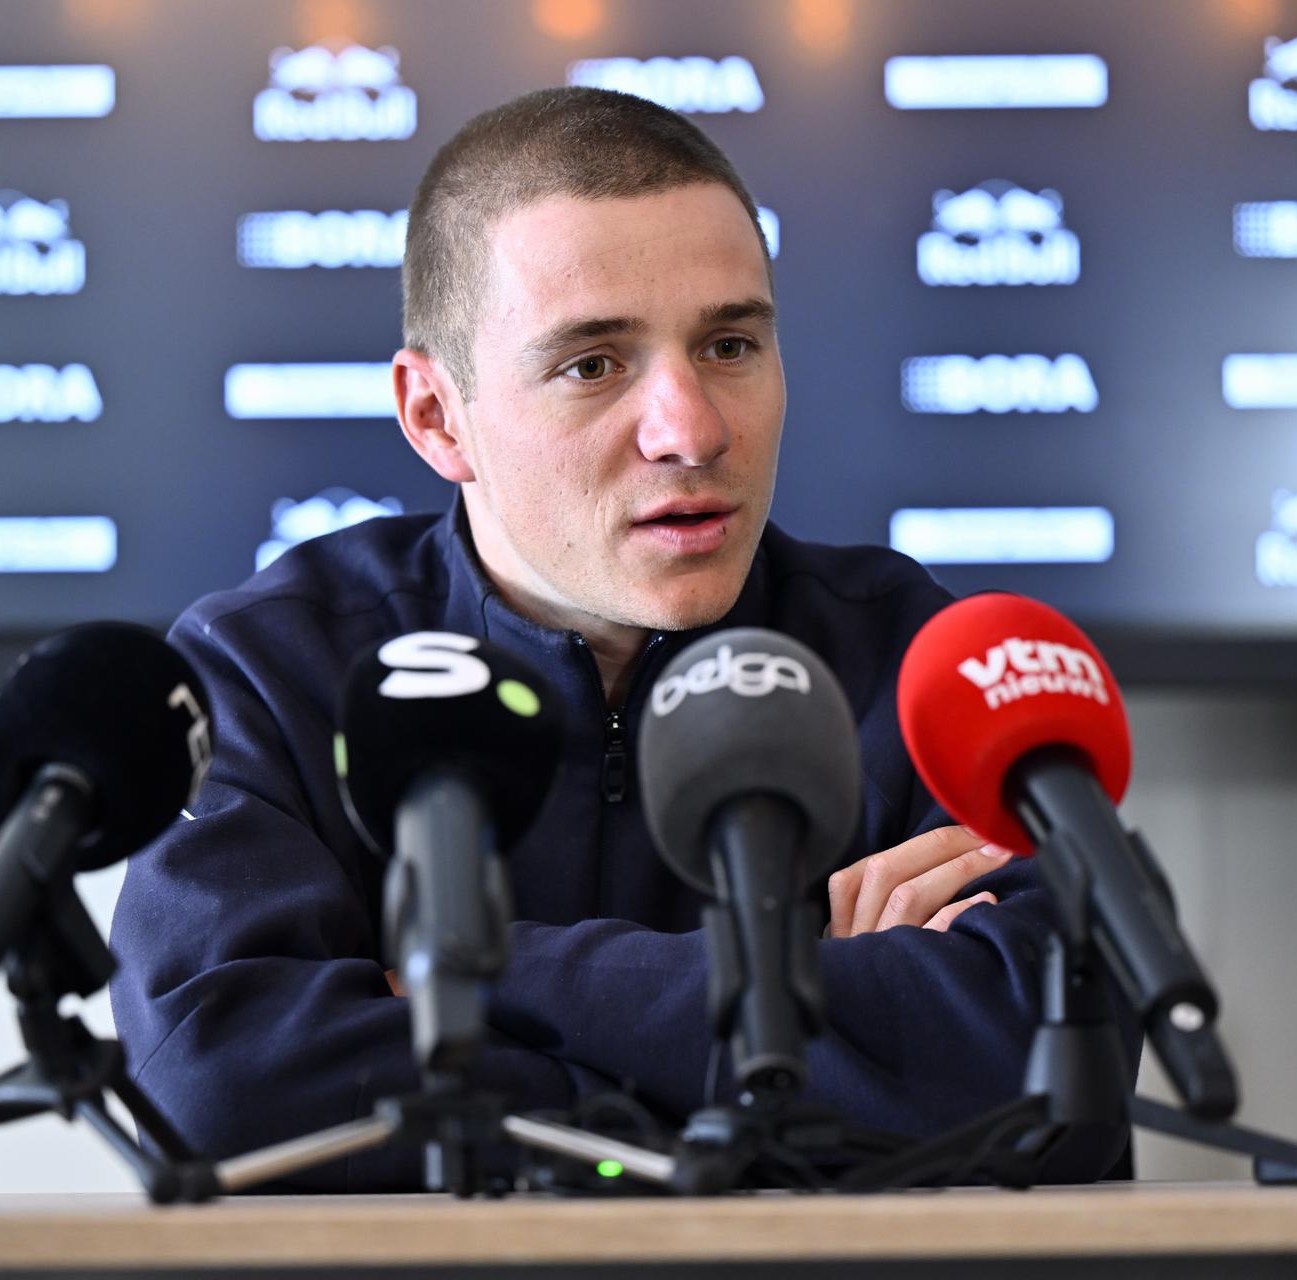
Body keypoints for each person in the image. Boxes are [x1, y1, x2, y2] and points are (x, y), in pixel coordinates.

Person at [108, 86, 1135, 1189]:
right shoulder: (267, 672)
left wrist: (474, 977)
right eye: (592, 364)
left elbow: (1062, 1073)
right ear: (436, 418)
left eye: (730, 344)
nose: (692, 430)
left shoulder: (924, 660)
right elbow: (221, 1088)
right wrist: (788, 1023)